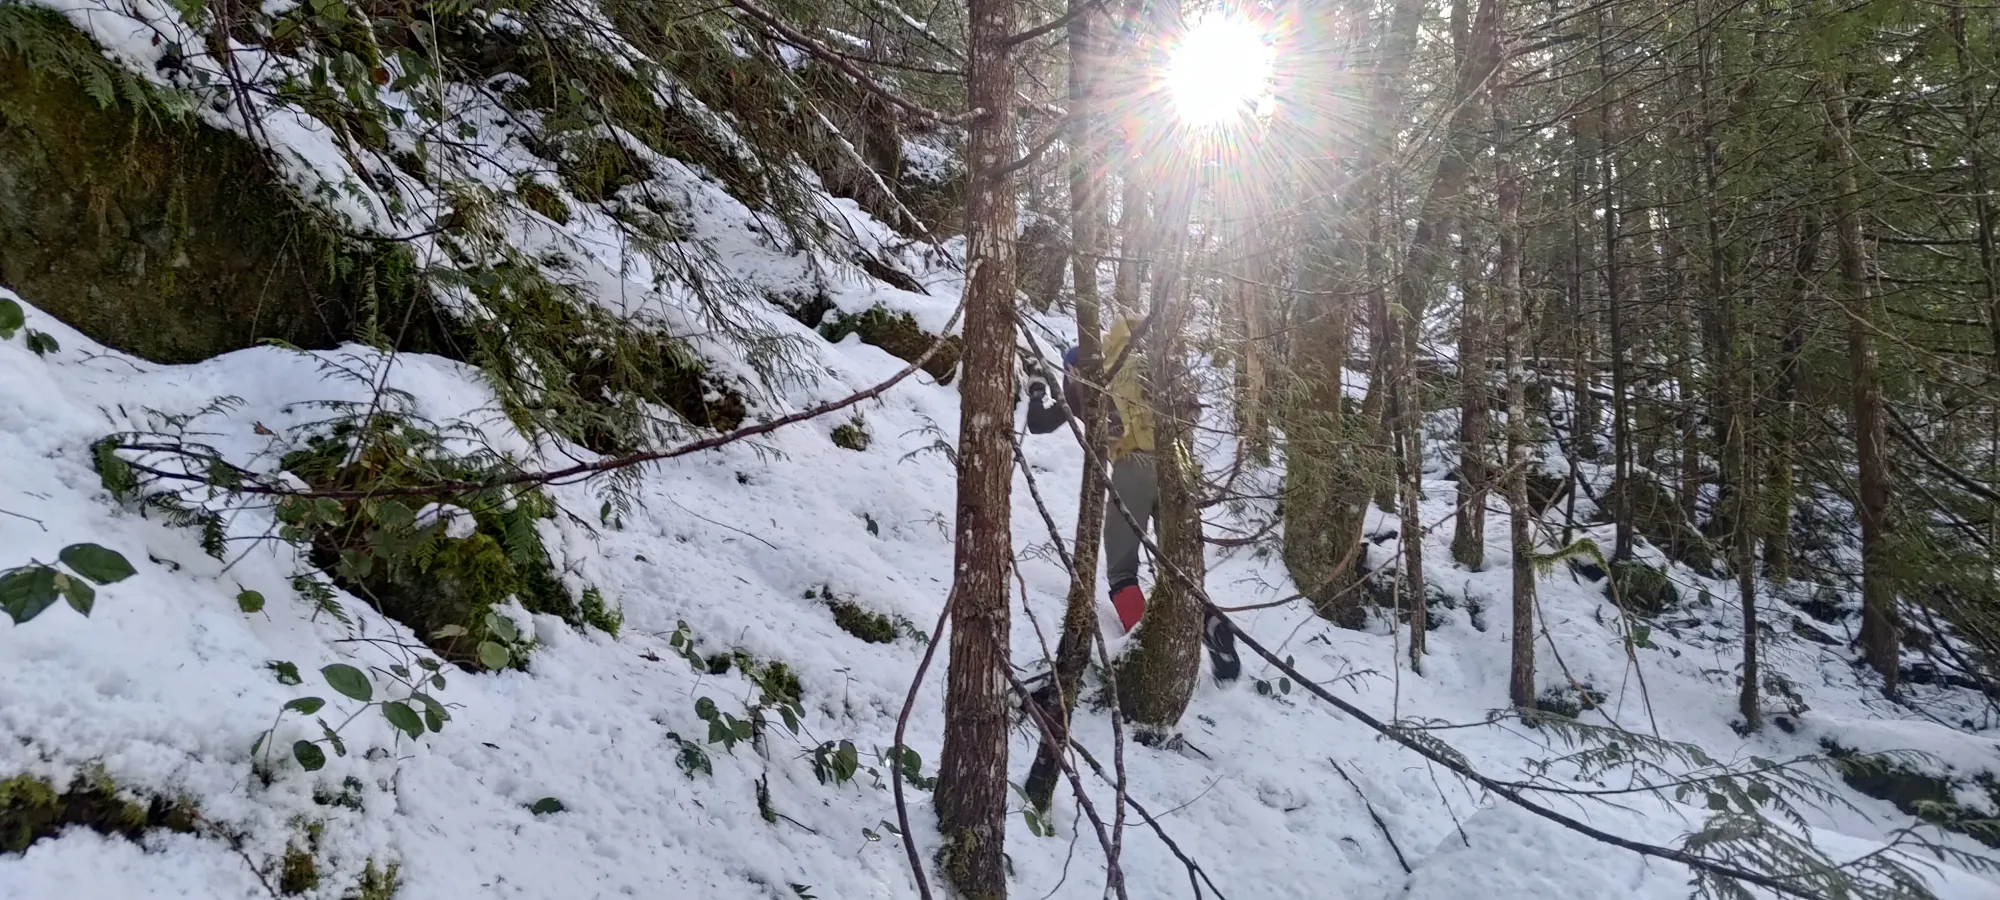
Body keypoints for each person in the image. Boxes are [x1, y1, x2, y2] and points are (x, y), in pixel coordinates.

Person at [1024, 316, 1239, 681]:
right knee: (1177, 566)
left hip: (1133, 467)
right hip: (1177, 463)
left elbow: (1039, 424)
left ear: (1073, 367)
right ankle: (1210, 622)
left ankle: (1147, 658)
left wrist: (1036, 388)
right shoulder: (1133, 370)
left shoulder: (1085, 386)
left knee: (1121, 571)